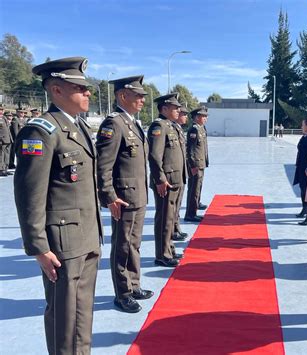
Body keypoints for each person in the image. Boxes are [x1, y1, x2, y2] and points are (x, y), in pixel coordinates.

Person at [13, 57, 103, 355]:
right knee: (64, 321)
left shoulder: (76, 127)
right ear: (56, 90)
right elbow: (29, 194)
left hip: (86, 236)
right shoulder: (41, 131)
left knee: (81, 316)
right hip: (62, 244)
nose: (87, 93)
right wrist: (38, 247)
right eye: (79, 87)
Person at [95, 75, 154, 313]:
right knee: (122, 245)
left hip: (137, 195)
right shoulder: (114, 124)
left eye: (142, 96)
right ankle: (123, 293)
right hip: (124, 197)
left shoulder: (133, 123)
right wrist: (109, 196)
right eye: (138, 95)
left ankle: (134, 284)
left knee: (134, 244)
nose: (142, 100)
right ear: (122, 96)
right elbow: (103, 165)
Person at [148, 93, 186, 267]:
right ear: (164, 109)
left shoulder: (173, 126)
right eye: (175, 107)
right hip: (166, 182)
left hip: (176, 179)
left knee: (170, 218)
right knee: (164, 218)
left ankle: (168, 248)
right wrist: (160, 179)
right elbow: (155, 156)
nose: (179, 110)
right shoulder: (159, 126)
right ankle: (162, 254)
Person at [185, 106, 209, 222]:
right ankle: (190, 214)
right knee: (193, 189)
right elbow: (190, 150)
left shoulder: (201, 128)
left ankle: (196, 204)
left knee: (198, 187)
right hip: (196, 165)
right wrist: (192, 165)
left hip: (201, 163)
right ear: (197, 117)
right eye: (204, 116)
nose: (206, 119)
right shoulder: (194, 130)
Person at [172, 105, 190, 241]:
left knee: (177, 205)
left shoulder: (177, 129)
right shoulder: (164, 128)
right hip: (171, 176)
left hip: (180, 174)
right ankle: (172, 232)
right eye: (183, 114)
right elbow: (156, 156)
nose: (184, 116)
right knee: (169, 210)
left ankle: (176, 228)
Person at [0, 104, 13, 176]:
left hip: (8, 139)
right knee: (1, 155)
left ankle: (5, 168)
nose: (1, 111)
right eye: (0, 110)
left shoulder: (4, 118)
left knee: (7, 154)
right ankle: (1, 169)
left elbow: (7, 129)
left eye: (2, 110)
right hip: (2, 140)